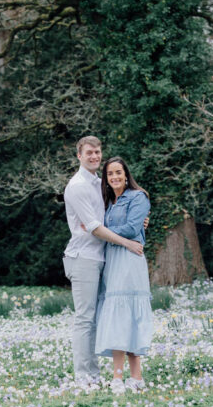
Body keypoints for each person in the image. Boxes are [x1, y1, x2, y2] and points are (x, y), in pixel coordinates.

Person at [63, 137, 145, 387]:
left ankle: (95, 374)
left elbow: (112, 217)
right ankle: (83, 376)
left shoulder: (101, 184)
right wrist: (127, 241)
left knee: (99, 317)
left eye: (97, 152)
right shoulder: (76, 186)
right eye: (89, 153)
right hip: (84, 257)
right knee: (85, 318)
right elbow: (95, 227)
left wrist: (138, 223)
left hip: (104, 257)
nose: (94, 156)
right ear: (79, 155)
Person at [93, 156, 153, 391]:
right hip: (113, 261)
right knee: (118, 318)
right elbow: (127, 228)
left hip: (130, 260)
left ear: (126, 174)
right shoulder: (109, 201)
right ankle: (121, 377)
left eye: (118, 172)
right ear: (106, 179)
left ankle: (133, 377)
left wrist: (101, 231)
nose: (115, 177)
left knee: (129, 317)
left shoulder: (138, 197)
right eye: (110, 174)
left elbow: (131, 228)